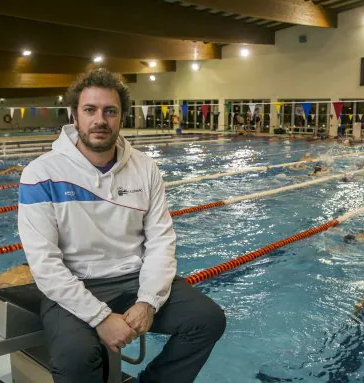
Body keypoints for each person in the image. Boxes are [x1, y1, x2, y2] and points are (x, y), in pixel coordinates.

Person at [18, 69, 226, 383]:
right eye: (90, 110)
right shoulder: (41, 173)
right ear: (75, 116)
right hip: (76, 284)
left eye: (110, 111)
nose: (100, 120)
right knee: (75, 357)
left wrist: (148, 300)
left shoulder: (144, 167)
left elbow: (160, 240)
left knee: (208, 320)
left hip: (133, 280)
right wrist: (100, 317)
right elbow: (44, 264)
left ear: (122, 117)